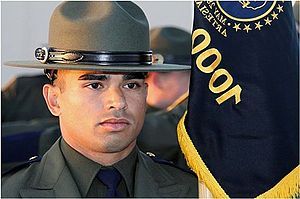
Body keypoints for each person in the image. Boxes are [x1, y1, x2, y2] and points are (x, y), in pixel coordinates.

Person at [1, 1, 198, 197]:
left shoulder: (195, 192)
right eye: (95, 85)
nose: (118, 101)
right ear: (54, 100)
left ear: (145, 93)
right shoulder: (9, 192)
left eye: (131, 85)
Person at [137, 27, 191, 169]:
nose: (152, 80)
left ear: (192, 74)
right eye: (145, 73)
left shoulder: (209, 114)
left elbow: (152, 134)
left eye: (164, 72)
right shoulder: (138, 110)